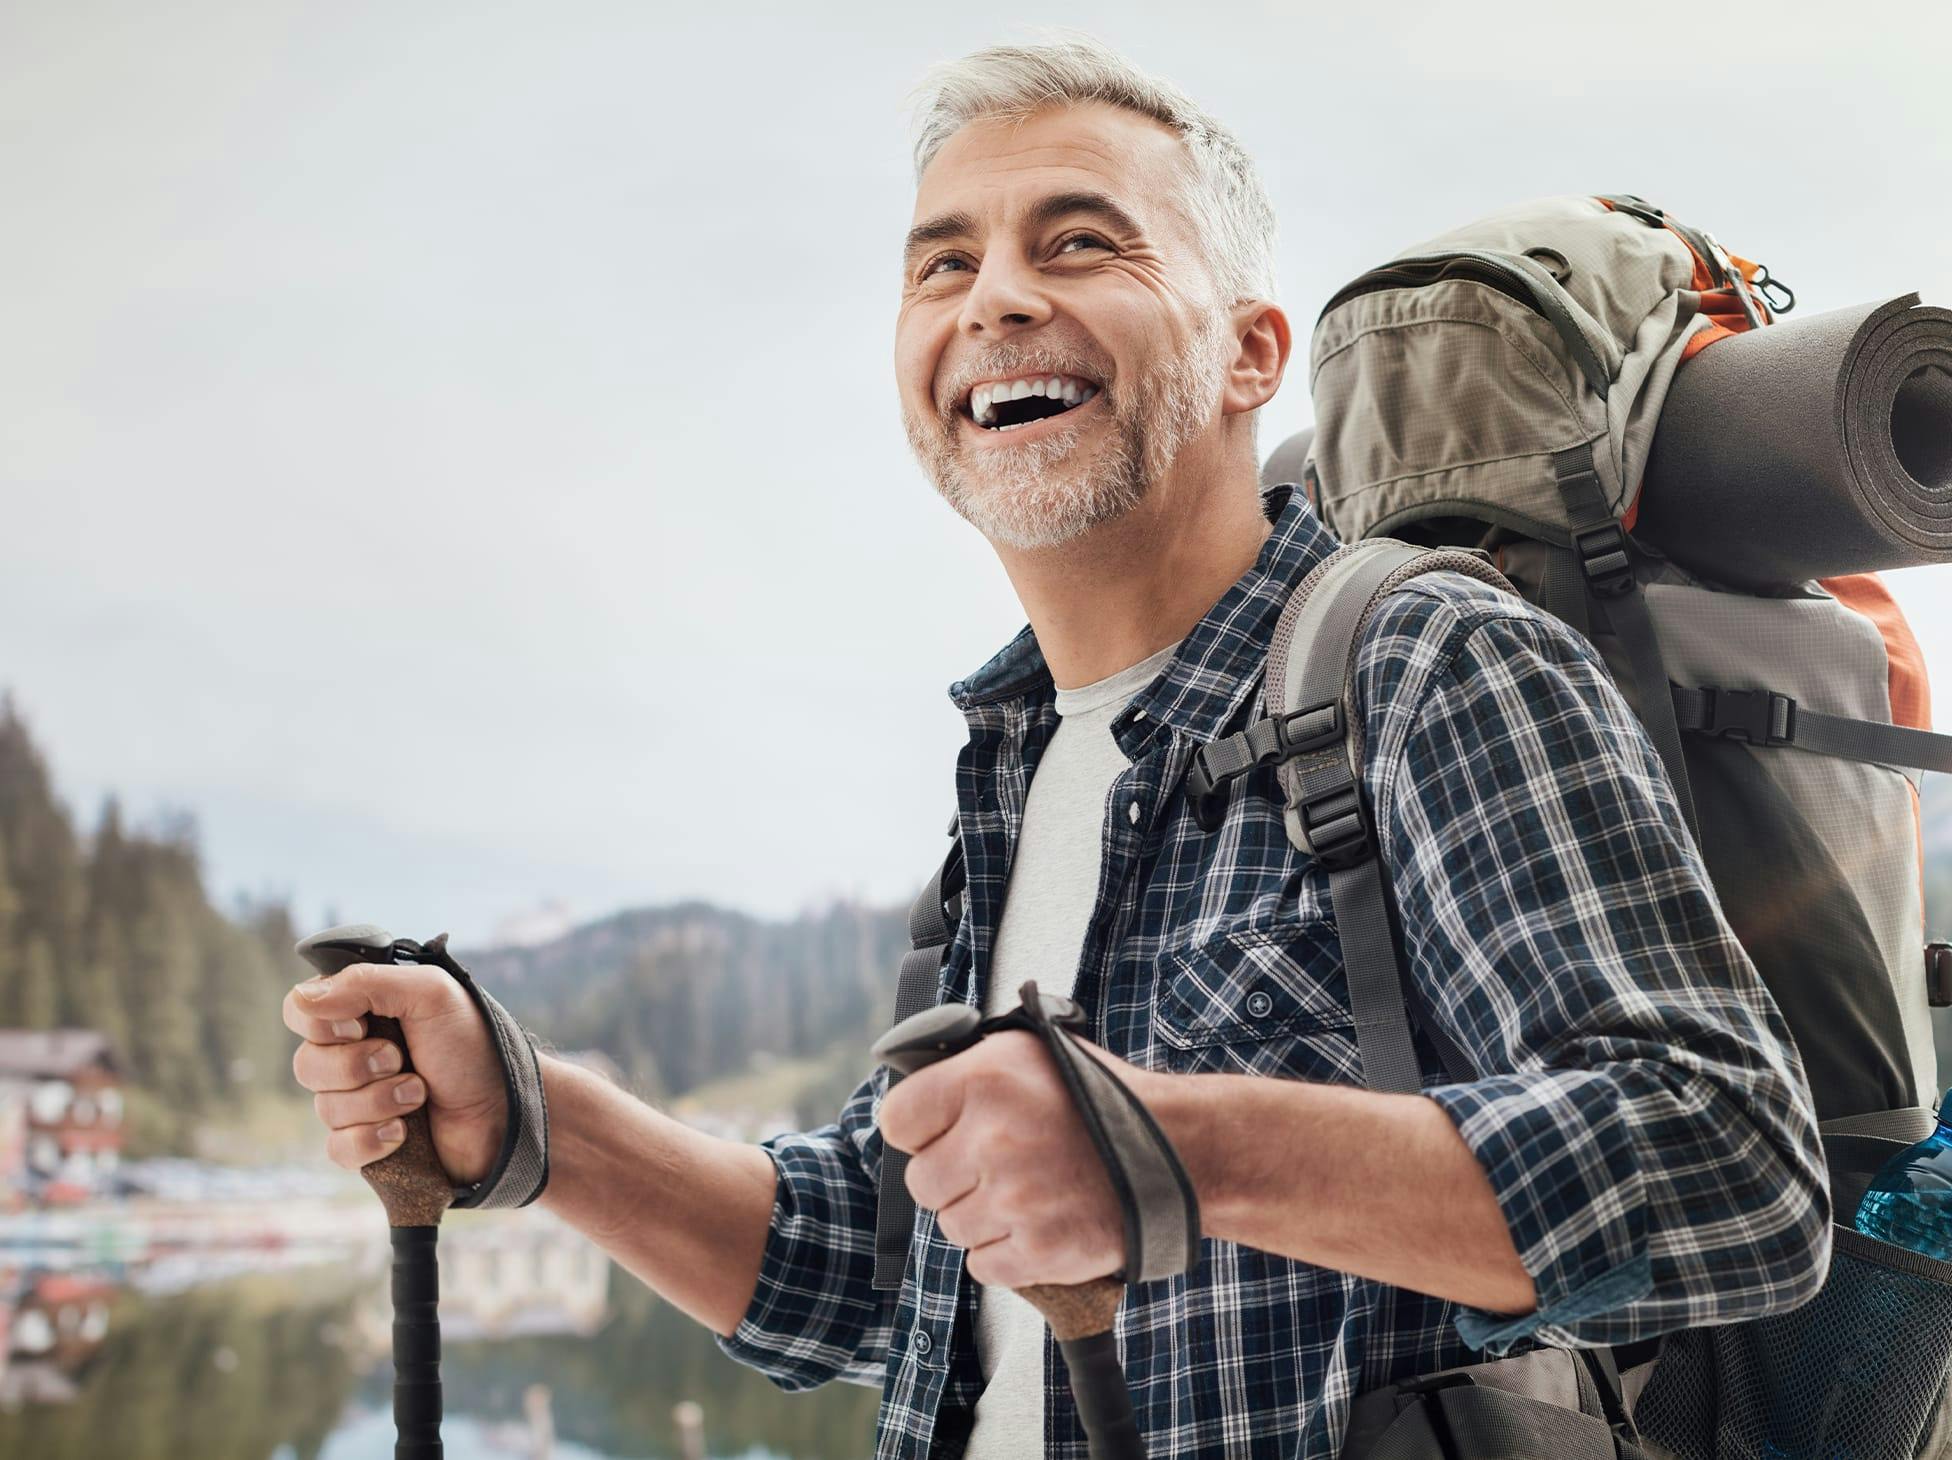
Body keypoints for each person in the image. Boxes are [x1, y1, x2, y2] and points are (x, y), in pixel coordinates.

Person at [282, 35, 1831, 1460]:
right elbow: (893, 1287)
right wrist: (543, 1123)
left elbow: (1734, 1170)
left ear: (1246, 353)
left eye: (1076, 242)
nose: (993, 300)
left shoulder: (1429, 663)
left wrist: (1175, 1146)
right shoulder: (1013, 767)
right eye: (940, 264)